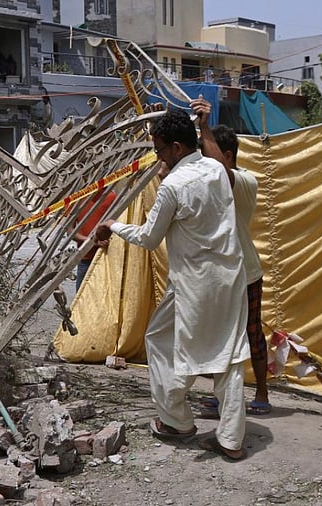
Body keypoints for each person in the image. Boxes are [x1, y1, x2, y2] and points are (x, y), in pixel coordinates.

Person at [94, 107, 250, 461]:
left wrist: (113, 225)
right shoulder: (217, 169)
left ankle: (177, 420)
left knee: (160, 341)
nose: (158, 158)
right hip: (229, 276)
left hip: (193, 282)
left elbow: (149, 238)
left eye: (161, 150)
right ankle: (230, 439)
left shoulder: (174, 186)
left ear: (177, 148)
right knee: (229, 355)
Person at [192, 97, 271, 416]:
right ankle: (221, 393)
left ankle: (262, 394)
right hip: (218, 274)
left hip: (245, 272)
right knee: (220, 337)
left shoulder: (244, 180)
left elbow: (223, 174)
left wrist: (204, 127)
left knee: (252, 335)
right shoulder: (211, 182)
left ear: (226, 156)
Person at [70, 190, 116, 292]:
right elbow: (70, 230)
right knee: (81, 297)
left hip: (108, 256)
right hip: (86, 257)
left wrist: (107, 240)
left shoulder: (112, 197)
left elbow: (118, 224)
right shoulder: (75, 199)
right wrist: (90, 241)